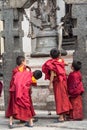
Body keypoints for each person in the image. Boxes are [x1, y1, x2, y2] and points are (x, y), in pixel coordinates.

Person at [6, 56, 42, 128]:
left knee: (16, 106)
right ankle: (29, 122)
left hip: (18, 90)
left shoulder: (25, 70)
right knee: (25, 105)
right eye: (25, 61)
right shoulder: (19, 71)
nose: (26, 62)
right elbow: (31, 81)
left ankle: (12, 122)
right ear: (22, 62)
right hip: (21, 90)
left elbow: (14, 82)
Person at [42, 48, 72, 122]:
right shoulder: (61, 61)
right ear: (59, 55)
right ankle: (64, 115)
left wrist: (50, 84)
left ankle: (61, 117)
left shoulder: (52, 63)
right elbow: (64, 64)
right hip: (64, 81)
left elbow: (52, 74)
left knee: (59, 99)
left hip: (58, 82)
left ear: (50, 55)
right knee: (64, 97)